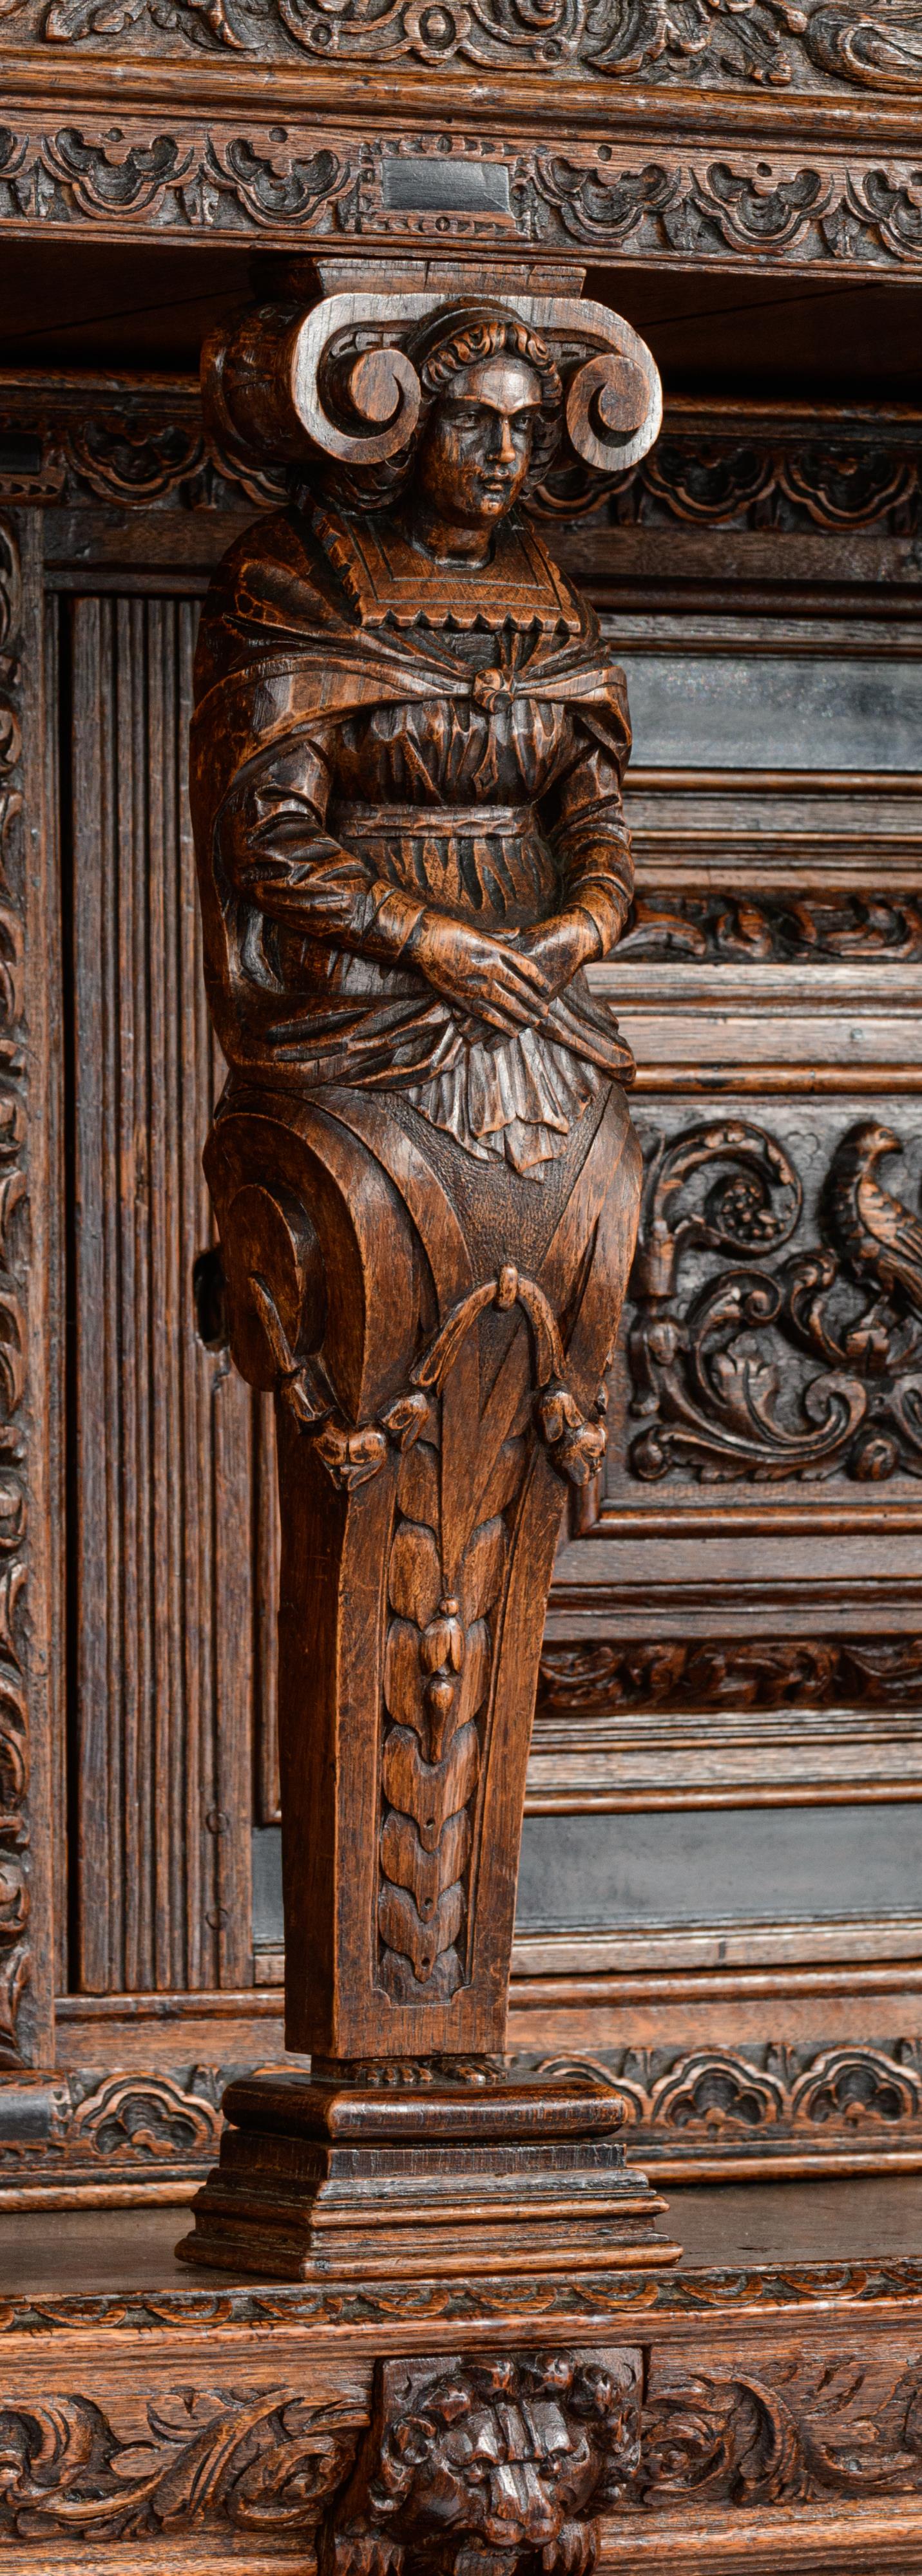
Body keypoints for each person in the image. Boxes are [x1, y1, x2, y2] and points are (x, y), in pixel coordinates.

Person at [191, 303, 637, 1186]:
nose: (502, 453)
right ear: (410, 424)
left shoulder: (555, 599)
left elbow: (597, 815)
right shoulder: (294, 575)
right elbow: (268, 833)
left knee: (593, 1202)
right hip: (362, 993)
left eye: (522, 426)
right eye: (473, 420)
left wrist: (580, 929)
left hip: (539, 997)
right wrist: (426, 940)